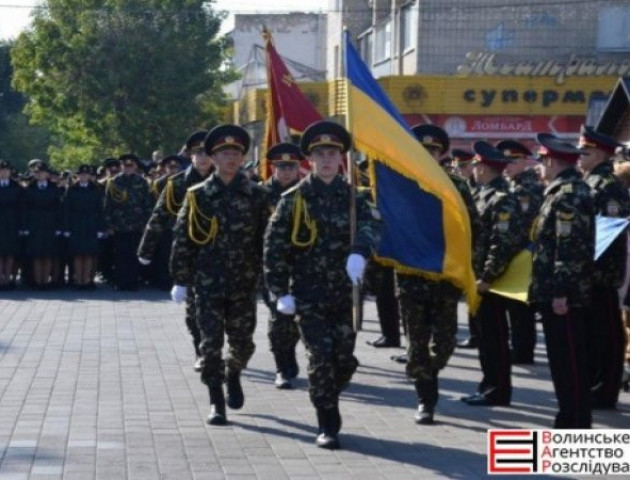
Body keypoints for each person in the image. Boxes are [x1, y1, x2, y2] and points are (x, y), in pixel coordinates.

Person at [264, 120, 381, 449]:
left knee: (343, 360)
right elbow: (273, 248)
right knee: (320, 357)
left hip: (347, 294)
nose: (327, 159)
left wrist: (361, 250)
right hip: (309, 293)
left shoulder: (355, 197)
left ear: (341, 158)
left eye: (332, 153)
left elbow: (375, 226)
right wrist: (279, 291)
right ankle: (327, 419)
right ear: (310, 160)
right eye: (320, 154)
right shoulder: (294, 199)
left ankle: (330, 395)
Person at [170, 125, 269, 426]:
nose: (230, 158)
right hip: (208, 283)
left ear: (243, 158)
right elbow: (182, 238)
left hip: (243, 282)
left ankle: (234, 372)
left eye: (236, 153)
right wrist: (180, 279)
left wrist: (272, 281)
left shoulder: (257, 195)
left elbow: (268, 239)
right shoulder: (197, 195)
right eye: (224, 152)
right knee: (210, 345)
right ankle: (216, 401)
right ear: (212, 157)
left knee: (243, 344)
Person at [394, 124, 480, 424]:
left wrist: (470, 265)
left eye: (433, 150)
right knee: (417, 343)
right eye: (423, 150)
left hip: (445, 278)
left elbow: (473, 227)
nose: (428, 155)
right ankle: (425, 399)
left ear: (440, 154)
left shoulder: (456, 185)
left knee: (444, 343)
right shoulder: (400, 183)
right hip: (412, 277)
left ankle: (429, 373)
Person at [530, 133, 594, 428]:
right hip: (557, 291)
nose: (540, 166)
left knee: (570, 362)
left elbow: (567, 248)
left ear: (552, 160)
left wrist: (560, 292)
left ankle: (575, 422)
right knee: (563, 362)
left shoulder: (567, 193)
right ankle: (569, 417)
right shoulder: (560, 190)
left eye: (542, 160)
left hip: (563, 295)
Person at [138, 131, 211, 370]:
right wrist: (146, 249)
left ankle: (215, 347)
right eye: (197, 153)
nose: (202, 157)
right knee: (194, 310)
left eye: (207, 152)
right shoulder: (177, 183)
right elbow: (159, 216)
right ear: (190, 155)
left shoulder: (227, 180)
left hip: (222, 253)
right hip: (188, 252)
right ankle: (202, 349)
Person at [462, 141, 523, 407]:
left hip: (493, 283)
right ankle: (488, 385)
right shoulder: (483, 194)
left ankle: (497, 390)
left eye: (476, 165)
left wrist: (487, 277)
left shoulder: (501, 199)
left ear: (484, 168)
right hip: (478, 277)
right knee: (485, 338)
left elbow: (503, 241)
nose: (474, 169)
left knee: (495, 338)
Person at [578, 126, 630, 409]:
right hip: (590, 273)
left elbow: (608, 230)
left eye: (584, 152)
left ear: (598, 153)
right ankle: (595, 385)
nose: (579, 157)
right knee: (592, 335)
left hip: (603, 273)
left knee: (606, 335)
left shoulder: (608, 186)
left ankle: (604, 389)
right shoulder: (590, 182)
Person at [260, 142, 302, 389]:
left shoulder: (305, 193)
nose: (286, 171)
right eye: (281, 166)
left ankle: (290, 353)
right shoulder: (260, 194)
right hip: (270, 266)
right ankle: (280, 367)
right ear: (273, 167)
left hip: (301, 266)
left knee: (295, 318)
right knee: (278, 315)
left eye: (291, 166)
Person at [497, 140, 544, 365]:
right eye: (507, 160)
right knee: (512, 307)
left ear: (526, 161)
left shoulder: (529, 188)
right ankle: (518, 347)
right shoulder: (510, 184)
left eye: (514, 160)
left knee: (521, 308)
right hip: (512, 253)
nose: (509, 165)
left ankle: (523, 351)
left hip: (525, 253)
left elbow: (526, 224)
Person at [103, 153, 153, 291]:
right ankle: (121, 282)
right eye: (125, 165)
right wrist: (109, 225)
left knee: (135, 254)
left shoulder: (142, 182)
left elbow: (148, 205)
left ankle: (133, 282)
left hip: (137, 225)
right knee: (120, 256)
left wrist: (146, 224)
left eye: (131, 165)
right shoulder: (113, 182)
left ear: (135, 166)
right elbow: (107, 206)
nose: (128, 167)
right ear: (121, 166)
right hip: (119, 225)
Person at [63, 164, 105, 289]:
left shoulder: (96, 189)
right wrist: (66, 228)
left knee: (88, 253)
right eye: (81, 174)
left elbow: (100, 210)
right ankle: (78, 280)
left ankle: (86, 281)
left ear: (89, 176)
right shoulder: (71, 189)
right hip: (76, 223)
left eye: (86, 174)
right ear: (78, 176)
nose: (84, 176)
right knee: (77, 253)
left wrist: (100, 228)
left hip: (91, 223)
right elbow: (66, 210)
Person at [22, 162, 64, 289]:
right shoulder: (29, 188)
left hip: (50, 223)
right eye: (36, 172)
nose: (38, 174)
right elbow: (25, 208)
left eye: (41, 172)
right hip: (34, 223)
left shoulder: (54, 188)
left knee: (48, 253)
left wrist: (59, 227)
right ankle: (37, 281)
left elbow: (59, 209)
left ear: (47, 174)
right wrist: (25, 226)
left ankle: (45, 281)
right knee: (36, 254)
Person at [0, 160, 23, 289]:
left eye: (6, 170)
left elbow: (21, 207)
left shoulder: (17, 188)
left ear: (10, 172)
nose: (3, 172)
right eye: (1, 170)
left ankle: (7, 278)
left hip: (12, 223)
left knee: (10, 252)